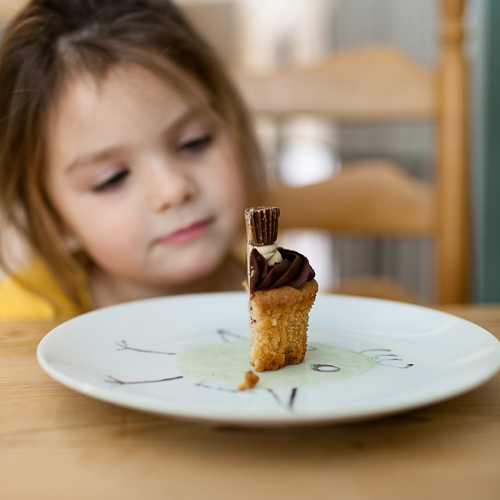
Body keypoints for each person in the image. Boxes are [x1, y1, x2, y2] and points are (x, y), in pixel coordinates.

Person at [0, 0, 264, 319]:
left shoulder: (286, 292)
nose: (172, 189)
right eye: (111, 178)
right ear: (53, 215)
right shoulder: (15, 323)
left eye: (194, 143)